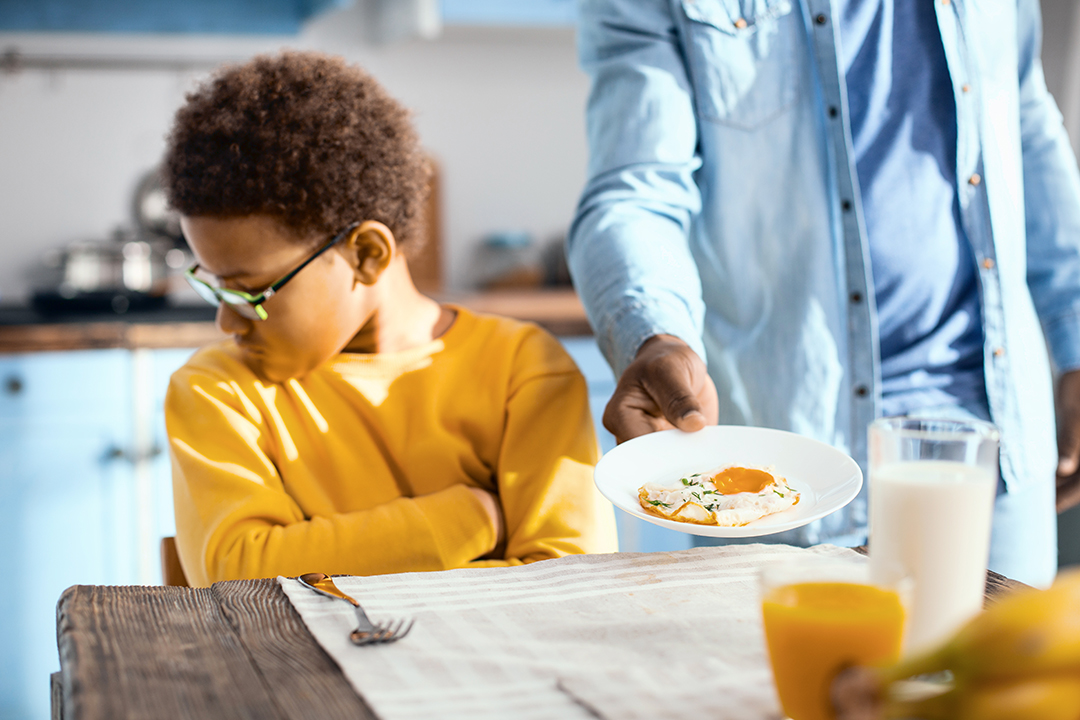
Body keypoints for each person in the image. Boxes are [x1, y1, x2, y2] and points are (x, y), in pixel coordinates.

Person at [568, 0, 1080, 587]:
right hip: (796, 473)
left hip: (996, 452)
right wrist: (654, 331)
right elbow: (637, 189)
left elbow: (1026, 123)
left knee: (1003, 679)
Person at [162, 51, 617, 587]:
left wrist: (312, 554)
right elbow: (239, 575)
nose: (227, 323)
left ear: (367, 254)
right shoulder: (216, 390)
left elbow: (570, 584)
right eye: (215, 286)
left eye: (253, 291)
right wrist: (469, 520)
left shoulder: (524, 370)